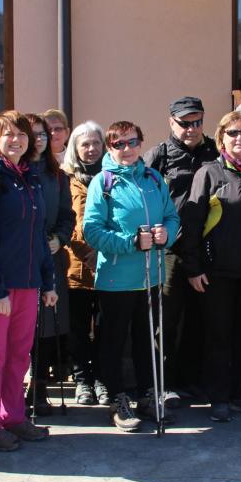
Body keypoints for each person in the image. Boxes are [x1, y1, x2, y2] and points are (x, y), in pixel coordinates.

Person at [0, 111, 59, 451]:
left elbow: (38, 235)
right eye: (8, 134)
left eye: (22, 134)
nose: (16, 140)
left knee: (19, 356)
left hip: (28, 283)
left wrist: (47, 282)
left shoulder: (28, 176)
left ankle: (13, 417)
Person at [177, 110, 241, 422]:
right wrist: (193, 268)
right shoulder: (208, 173)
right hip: (215, 273)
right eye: (232, 133)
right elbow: (191, 225)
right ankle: (219, 396)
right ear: (222, 138)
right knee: (218, 337)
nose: (239, 138)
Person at [82, 121, 180, 431]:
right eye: (119, 144)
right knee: (113, 341)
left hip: (151, 277)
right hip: (116, 279)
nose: (127, 149)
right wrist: (130, 243)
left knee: (146, 339)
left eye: (132, 142)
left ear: (141, 143)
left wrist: (167, 235)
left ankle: (149, 395)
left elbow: (171, 216)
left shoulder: (153, 178)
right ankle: (117, 399)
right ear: (109, 148)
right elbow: (92, 231)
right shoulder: (103, 182)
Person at [148, 96, 219, 405]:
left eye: (197, 122)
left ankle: (192, 379)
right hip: (171, 251)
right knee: (167, 319)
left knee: (200, 319)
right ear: (171, 122)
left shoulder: (216, 151)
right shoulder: (159, 156)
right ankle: (164, 383)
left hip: (207, 248)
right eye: (184, 123)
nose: (192, 128)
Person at [25, 113, 76, 416]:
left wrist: (60, 238)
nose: (39, 140)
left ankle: (39, 386)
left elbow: (68, 215)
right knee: (24, 325)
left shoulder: (58, 176)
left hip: (51, 256)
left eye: (43, 134)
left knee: (45, 325)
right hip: (21, 259)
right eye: (33, 134)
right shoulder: (12, 172)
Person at [62, 121, 109, 406]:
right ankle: (83, 380)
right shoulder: (64, 179)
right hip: (75, 267)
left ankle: (102, 380)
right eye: (85, 144)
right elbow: (65, 221)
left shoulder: (112, 176)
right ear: (75, 148)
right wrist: (86, 253)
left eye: (96, 143)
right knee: (78, 330)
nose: (91, 149)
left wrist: (102, 254)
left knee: (105, 328)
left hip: (109, 266)